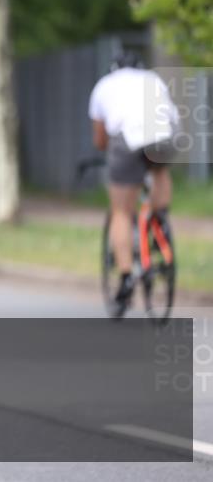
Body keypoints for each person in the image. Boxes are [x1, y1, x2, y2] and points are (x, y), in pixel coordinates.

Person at [88, 51, 179, 313]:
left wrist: (114, 158)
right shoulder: (154, 79)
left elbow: (100, 139)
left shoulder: (103, 86)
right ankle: (159, 221)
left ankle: (127, 276)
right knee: (160, 172)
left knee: (121, 212)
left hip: (127, 138)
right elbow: (173, 119)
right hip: (164, 135)